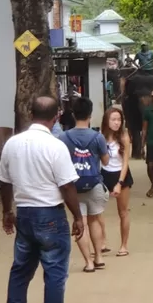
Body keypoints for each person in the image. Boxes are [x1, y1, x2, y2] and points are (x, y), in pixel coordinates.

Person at [0, 96, 85, 303]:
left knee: (20, 271)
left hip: (23, 212)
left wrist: (7, 212)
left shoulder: (12, 144)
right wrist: (78, 217)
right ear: (56, 116)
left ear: (29, 112)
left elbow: (4, 181)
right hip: (50, 214)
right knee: (55, 272)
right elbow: (67, 186)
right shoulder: (55, 146)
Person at [57, 97, 110, 273]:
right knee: (95, 220)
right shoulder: (98, 137)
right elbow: (106, 161)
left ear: (73, 114)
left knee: (80, 222)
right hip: (94, 183)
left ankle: (88, 262)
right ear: (90, 114)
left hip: (72, 187)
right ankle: (99, 257)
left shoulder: (63, 137)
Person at [100, 106, 132, 256]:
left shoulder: (124, 137)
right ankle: (102, 241)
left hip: (120, 174)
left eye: (119, 120)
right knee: (97, 211)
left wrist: (119, 183)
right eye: (113, 119)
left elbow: (126, 162)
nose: (117, 123)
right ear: (107, 121)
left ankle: (124, 245)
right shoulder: (100, 136)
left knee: (123, 212)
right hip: (103, 174)